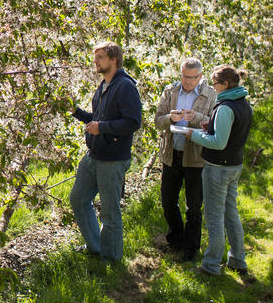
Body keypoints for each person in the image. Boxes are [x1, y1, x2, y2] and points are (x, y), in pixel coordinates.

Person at [69, 41, 142, 262]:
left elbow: (132, 122)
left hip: (112, 159)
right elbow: (97, 119)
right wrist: (76, 112)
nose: (96, 61)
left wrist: (102, 128)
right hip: (93, 155)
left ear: (113, 59)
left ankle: (111, 259)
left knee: (110, 211)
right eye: (96, 57)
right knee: (78, 199)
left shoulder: (125, 87)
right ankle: (96, 246)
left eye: (100, 57)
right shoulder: (103, 86)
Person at [189, 65, 254, 279]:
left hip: (218, 168)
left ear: (226, 84)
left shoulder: (226, 107)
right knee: (230, 213)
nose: (213, 88)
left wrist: (194, 135)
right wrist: (211, 125)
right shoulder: (243, 104)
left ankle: (211, 265)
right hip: (234, 165)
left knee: (214, 217)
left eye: (215, 84)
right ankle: (237, 260)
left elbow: (218, 142)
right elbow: (231, 133)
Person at [154, 58, 218, 262]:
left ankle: (191, 249)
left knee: (194, 206)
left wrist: (197, 118)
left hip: (196, 156)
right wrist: (170, 118)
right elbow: (157, 121)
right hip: (172, 154)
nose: (188, 81)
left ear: (200, 76)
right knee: (168, 202)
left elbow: (214, 124)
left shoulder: (211, 94)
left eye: (192, 78)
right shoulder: (170, 91)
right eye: (184, 76)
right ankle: (176, 239)